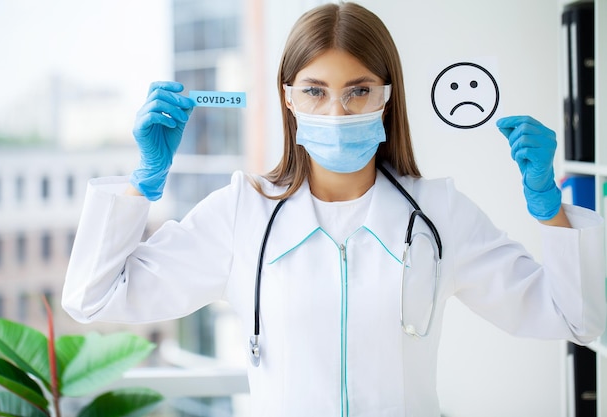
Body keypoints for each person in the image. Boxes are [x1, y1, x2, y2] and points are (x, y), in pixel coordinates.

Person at [62, 2, 605, 416]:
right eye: (316, 91)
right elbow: (93, 299)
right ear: (288, 99)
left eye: (359, 90)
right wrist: (143, 184)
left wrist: (550, 210)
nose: (338, 110)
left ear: (387, 97)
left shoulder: (438, 213)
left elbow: (575, 317)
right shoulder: (241, 213)